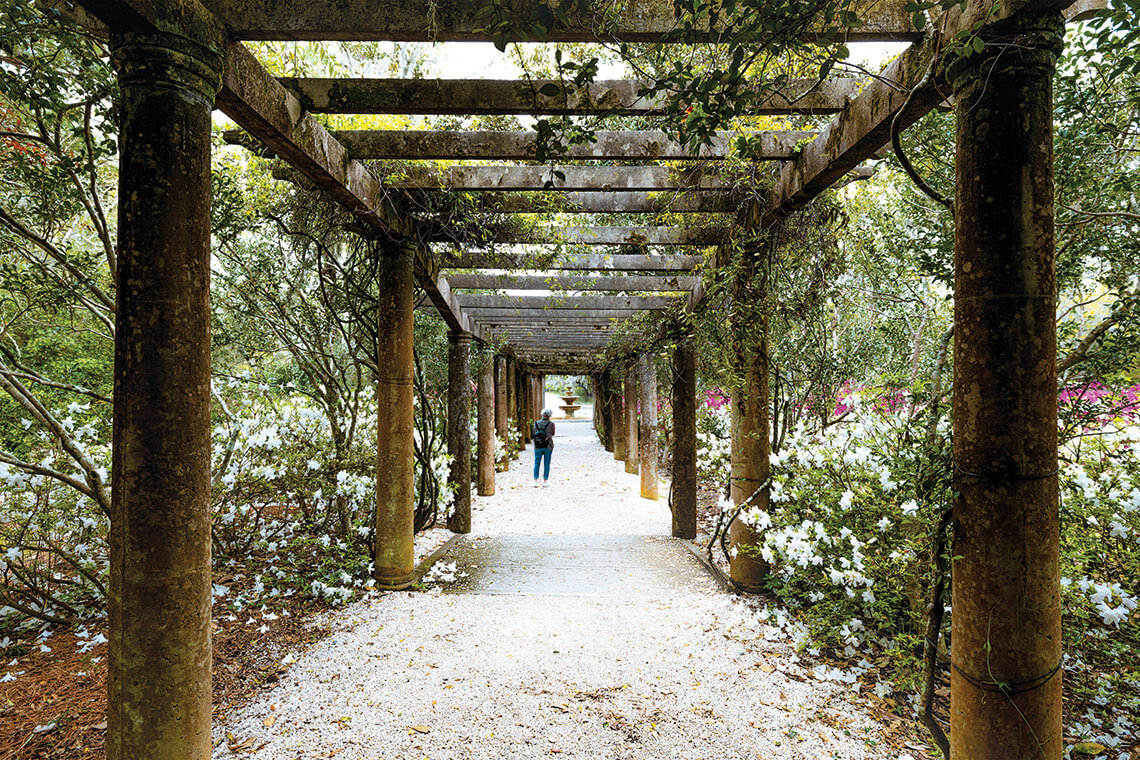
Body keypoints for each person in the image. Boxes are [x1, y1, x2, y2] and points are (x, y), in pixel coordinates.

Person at [532, 407, 555, 486]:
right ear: (550, 415)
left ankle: (535, 481)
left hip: (538, 445)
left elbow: (534, 432)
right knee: (547, 463)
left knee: (537, 462)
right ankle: (545, 481)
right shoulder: (551, 424)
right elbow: (553, 433)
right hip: (548, 445)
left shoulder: (536, 423)